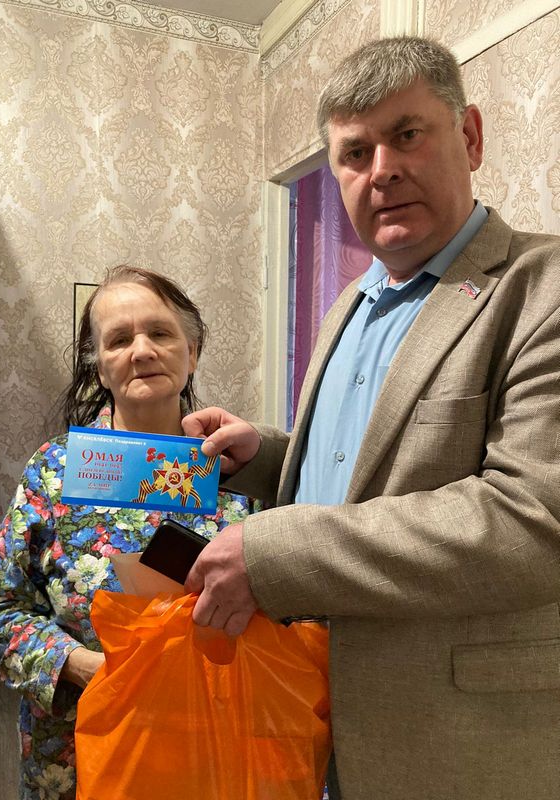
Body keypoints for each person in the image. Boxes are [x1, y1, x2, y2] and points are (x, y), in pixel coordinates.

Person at [181, 36, 560, 800]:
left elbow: (532, 519)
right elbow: (362, 470)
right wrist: (268, 455)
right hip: (314, 716)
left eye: (407, 134)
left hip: (454, 744)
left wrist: (274, 552)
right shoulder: (352, 302)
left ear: (471, 136)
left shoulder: (541, 288)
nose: (381, 169)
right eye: (355, 153)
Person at [0, 265, 255, 800]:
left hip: (210, 755)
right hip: (79, 759)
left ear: (192, 353)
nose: (142, 351)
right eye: (119, 340)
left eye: (160, 333)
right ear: (99, 368)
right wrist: (82, 667)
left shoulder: (240, 472)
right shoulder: (56, 471)